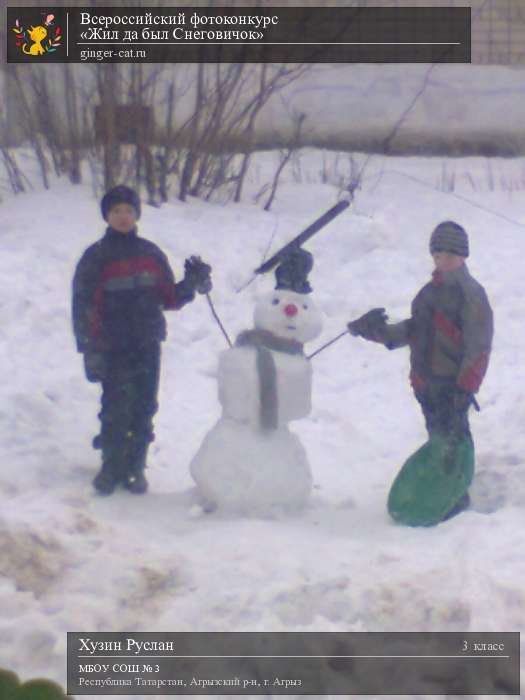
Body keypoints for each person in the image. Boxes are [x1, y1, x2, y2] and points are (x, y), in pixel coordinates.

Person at [72, 185, 212, 495]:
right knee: (115, 407)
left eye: (128, 211)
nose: (123, 217)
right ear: (107, 216)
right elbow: (83, 307)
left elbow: (169, 298)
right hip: (112, 347)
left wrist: (191, 283)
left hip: (147, 344)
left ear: (137, 214)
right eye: (116, 211)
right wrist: (90, 349)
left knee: (144, 406)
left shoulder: (150, 254)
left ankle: (135, 468)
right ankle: (111, 467)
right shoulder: (96, 257)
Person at [347, 221, 493, 516]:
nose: (443, 261)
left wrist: (465, 388)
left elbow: (478, 346)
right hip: (427, 382)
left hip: (452, 385)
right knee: (438, 438)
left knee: (454, 442)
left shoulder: (471, 295)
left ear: (463, 256)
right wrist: (375, 330)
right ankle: (441, 490)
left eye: (449, 255)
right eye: (437, 255)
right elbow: (413, 330)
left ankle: (456, 495)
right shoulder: (428, 294)